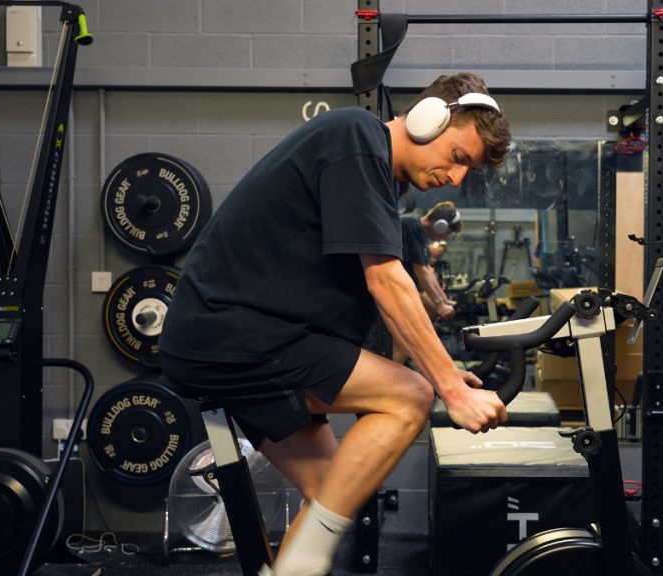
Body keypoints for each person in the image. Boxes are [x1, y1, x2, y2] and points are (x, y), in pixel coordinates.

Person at [158, 72, 512, 576]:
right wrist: (448, 389)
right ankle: (297, 568)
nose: (456, 178)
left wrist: (444, 370)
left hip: (245, 339)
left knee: (337, 488)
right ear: (428, 119)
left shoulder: (381, 180)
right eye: (458, 157)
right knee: (410, 397)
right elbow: (386, 280)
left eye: (467, 170)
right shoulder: (355, 137)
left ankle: (294, 568)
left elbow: (381, 300)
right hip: (232, 333)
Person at [393, 201, 461, 365]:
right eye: (446, 233)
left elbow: (428, 270)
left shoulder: (419, 232)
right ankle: (396, 364)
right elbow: (420, 270)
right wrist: (439, 304)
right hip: (395, 286)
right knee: (413, 332)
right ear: (440, 225)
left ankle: (406, 357)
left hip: (405, 286)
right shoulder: (411, 226)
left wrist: (443, 300)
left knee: (431, 311)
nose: (444, 238)